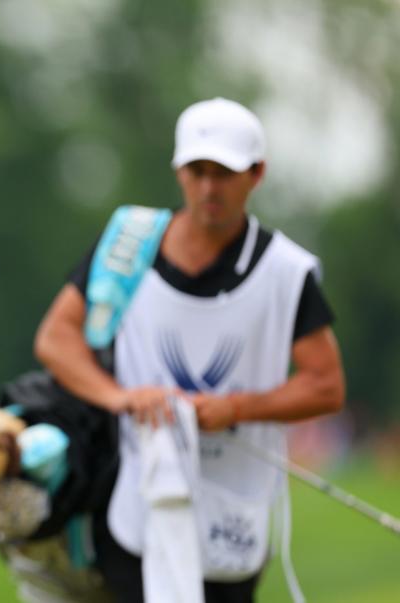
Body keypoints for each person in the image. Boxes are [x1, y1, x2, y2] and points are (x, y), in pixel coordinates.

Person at [34, 97, 345, 602]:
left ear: (256, 174)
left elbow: (325, 384)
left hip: (233, 513)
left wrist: (237, 408)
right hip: (136, 501)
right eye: (196, 171)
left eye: (223, 173)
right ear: (179, 171)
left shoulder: (287, 272)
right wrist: (120, 397)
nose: (208, 188)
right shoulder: (129, 245)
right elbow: (56, 338)